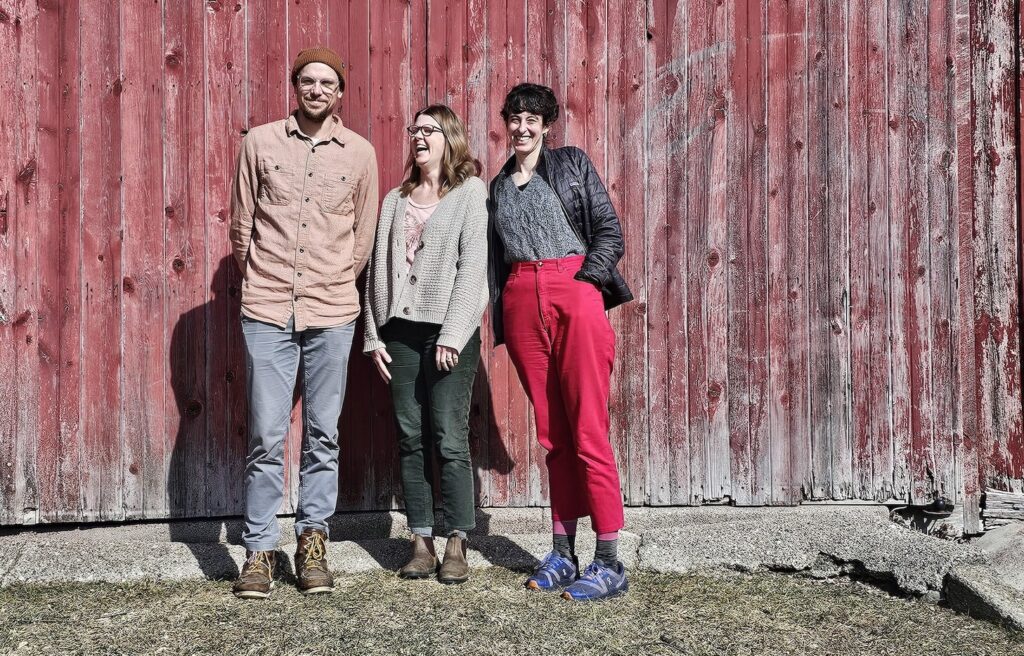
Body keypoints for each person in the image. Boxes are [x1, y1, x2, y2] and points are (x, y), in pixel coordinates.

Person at [228, 45, 379, 599]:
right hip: (267, 309)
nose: (317, 90)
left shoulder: (360, 154)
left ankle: (313, 540)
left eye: (327, 83)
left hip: (333, 311)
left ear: (340, 93)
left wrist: (332, 280)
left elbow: (361, 239)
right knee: (267, 436)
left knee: (323, 434)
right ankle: (259, 550)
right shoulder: (259, 143)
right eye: (308, 81)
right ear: (296, 87)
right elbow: (241, 225)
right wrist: (264, 280)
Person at [487, 82, 634, 601]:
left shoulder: (571, 163)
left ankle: (610, 560)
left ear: (546, 126)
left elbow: (609, 232)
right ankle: (564, 553)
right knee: (553, 436)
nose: (523, 127)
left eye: (533, 119)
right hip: (522, 298)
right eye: (515, 118)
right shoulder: (498, 185)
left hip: (573, 291)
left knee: (589, 429)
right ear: (506, 122)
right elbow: (496, 259)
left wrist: (586, 283)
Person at [363, 105, 489, 584]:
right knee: (409, 435)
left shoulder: (469, 192)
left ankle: (457, 539)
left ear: (448, 138)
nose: (419, 136)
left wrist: (455, 334)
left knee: (448, 436)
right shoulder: (396, 199)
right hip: (400, 333)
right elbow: (377, 269)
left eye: (429, 130)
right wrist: (374, 335)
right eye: (414, 129)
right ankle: (420, 540)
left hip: (448, 332)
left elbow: (473, 266)